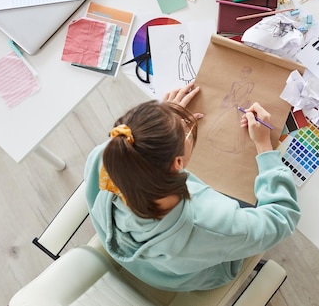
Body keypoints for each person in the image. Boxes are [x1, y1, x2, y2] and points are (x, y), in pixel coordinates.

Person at [83, 82, 300, 292]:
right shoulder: (210, 221)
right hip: (196, 270)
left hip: (149, 264)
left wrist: (161, 122)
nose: (187, 128)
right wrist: (263, 145)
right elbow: (283, 218)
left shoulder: (109, 154)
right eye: (185, 133)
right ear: (178, 163)